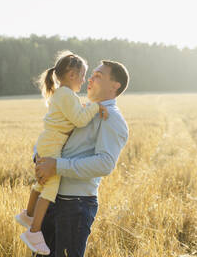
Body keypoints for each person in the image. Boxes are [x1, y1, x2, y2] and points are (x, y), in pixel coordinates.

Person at [15, 51, 108, 255]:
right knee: (50, 188)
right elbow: (80, 120)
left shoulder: (63, 94)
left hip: (48, 143)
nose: (85, 80)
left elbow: (72, 114)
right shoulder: (66, 94)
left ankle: (28, 214)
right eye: (83, 75)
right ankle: (34, 230)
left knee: (41, 182)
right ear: (72, 75)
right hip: (52, 145)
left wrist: (85, 106)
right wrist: (94, 107)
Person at [34, 60, 130, 257]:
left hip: (75, 205)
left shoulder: (111, 117)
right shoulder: (84, 110)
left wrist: (57, 166)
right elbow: (54, 135)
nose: (90, 78)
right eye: (92, 73)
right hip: (52, 198)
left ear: (115, 85)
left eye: (99, 75)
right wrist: (39, 156)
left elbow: (105, 164)